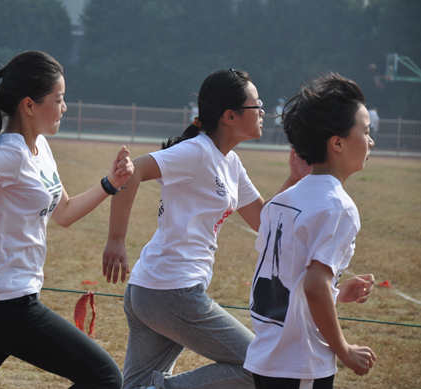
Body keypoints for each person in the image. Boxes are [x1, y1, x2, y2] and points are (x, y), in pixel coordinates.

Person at [0, 50, 133, 389]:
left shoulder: (40, 148)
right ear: (29, 105)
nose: (64, 107)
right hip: (3, 306)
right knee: (105, 377)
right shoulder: (10, 154)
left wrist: (110, 185)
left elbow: (64, 213)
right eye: (59, 99)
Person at [102, 69, 310, 389]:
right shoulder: (197, 152)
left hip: (151, 290)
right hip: (171, 291)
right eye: (257, 105)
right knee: (260, 366)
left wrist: (294, 178)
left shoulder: (230, 162)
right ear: (229, 115)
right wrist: (116, 239)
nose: (264, 111)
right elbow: (133, 171)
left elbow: (264, 221)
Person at [244, 74, 377, 389]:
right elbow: (315, 286)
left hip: (267, 358)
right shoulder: (339, 208)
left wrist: (337, 293)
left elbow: (286, 280)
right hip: (301, 363)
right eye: (366, 131)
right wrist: (343, 350)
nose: (371, 141)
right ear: (338, 143)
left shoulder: (281, 201)